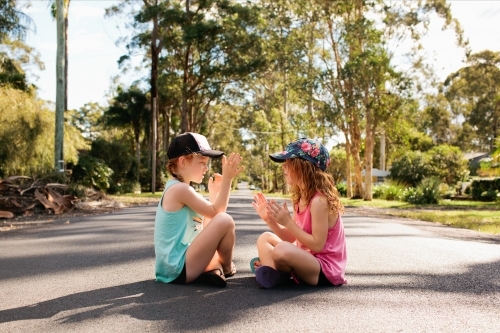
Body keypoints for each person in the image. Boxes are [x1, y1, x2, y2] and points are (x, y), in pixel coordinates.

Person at [251, 137, 347, 288]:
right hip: (306, 258)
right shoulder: (301, 198)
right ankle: (272, 273)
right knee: (265, 238)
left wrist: (288, 222)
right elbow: (290, 237)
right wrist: (269, 220)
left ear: (303, 167)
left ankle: (275, 269)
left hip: (324, 269)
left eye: (288, 163)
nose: (283, 167)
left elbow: (317, 245)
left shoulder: (319, 201)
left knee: (281, 250)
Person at [154, 132, 244, 287]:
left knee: (220, 223)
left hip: (176, 268)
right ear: (183, 161)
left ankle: (212, 270)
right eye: (202, 162)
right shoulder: (180, 190)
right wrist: (227, 180)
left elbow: (207, 227)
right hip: (178, 269)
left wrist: (214, 193)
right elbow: (219, 214)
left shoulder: (181, 189)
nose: (206, 168)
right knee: (226, 220)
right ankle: (226, 268)